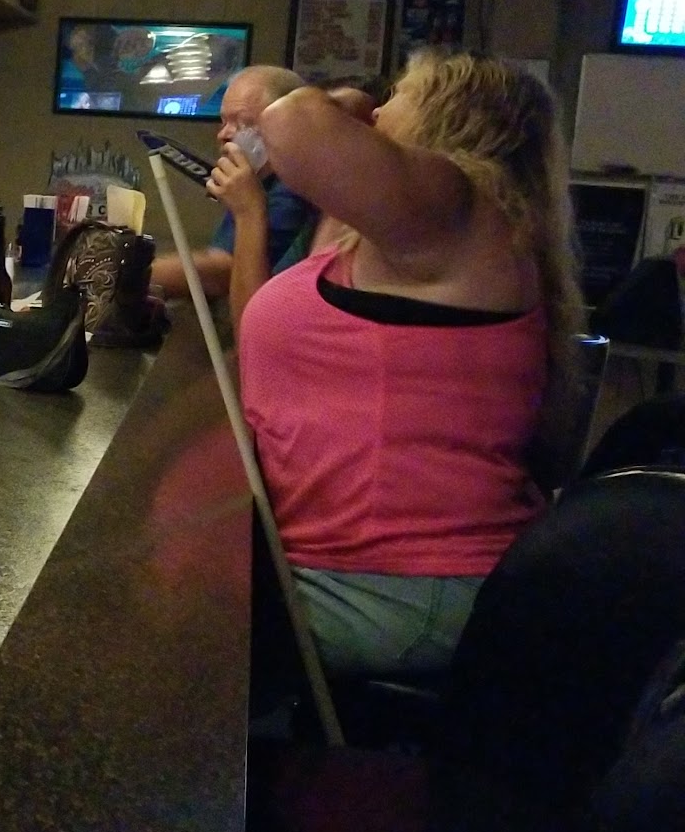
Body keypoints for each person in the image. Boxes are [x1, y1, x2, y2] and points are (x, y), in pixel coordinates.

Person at [235, 52, 583, 678]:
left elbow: (291, 122)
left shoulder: (459, 207)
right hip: (355, 569)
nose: (378, 108)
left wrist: (347, 104)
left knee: (158, 616)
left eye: (397, 93)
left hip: (395, 587)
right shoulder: (405, 234)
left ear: (448, 116)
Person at [209, 78, 385, 329]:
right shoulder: (314, 204)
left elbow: (258, 331)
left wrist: (249, 212)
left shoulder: (367, 225)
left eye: (344, 123)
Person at [148, 65, 311, 299]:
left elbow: (223, 271)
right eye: (223, 121)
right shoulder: (256, 179)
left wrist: (129, 274)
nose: (223, 134)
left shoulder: (294, 188)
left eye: (243, 123)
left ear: (287, 125)